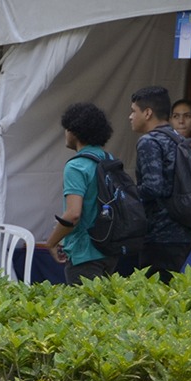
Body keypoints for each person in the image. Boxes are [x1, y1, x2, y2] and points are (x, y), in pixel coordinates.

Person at [43, 102, 118, 284]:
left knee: (82, 302)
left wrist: (51, 242)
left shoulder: (76, 166)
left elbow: (73, 214)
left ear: (74, 132)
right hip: (110, 250)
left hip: (84, 253)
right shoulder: (109, 160)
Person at [129, 85, 191, 281]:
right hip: (182, 232)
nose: (130, 117)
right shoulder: (179, 139)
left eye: (134, 111)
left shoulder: (149, 141)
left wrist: (126, 194)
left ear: (147, 113)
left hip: (160, 235)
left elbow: (152, 187)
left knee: (153, 294)